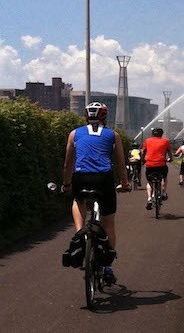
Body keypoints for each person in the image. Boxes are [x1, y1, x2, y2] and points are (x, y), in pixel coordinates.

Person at [62, 101, 129, 284]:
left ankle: (80, 232)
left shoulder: (74, 134)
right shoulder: (113, 135)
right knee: (109, 223)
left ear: (85, 116)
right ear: (104, 116)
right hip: (104, 179)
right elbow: (120, 163)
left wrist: (67, 184)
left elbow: (68, 163)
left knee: (78, 201)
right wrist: (124, 183)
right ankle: (108, 267)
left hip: (81, 177)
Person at [142, 127, 173, 210]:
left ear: (153, 134)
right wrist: (170, 159)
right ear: (161, 134)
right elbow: (169, 152)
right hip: (161, 165)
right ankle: (163, 193)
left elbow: (143, 152)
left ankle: (149, 198)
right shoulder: (165, 141)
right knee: (164, 178)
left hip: (150, 165)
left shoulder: (147, 141)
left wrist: (143, 160)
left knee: (149, 182)